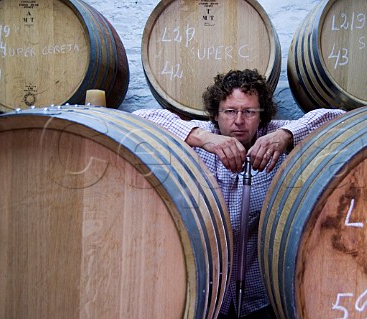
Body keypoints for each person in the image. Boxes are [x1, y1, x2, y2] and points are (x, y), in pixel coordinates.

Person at [133, 69, 344, 318]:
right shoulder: (200, 135)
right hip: (209, 291)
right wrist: (202, 138)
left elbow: (337, 117)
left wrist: (286, 135)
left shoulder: (273, 136)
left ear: (261, 115)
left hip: (260, 292)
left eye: (249, 112)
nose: (239, 121)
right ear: (216, 114)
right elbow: (139, 118)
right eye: (230, 111)